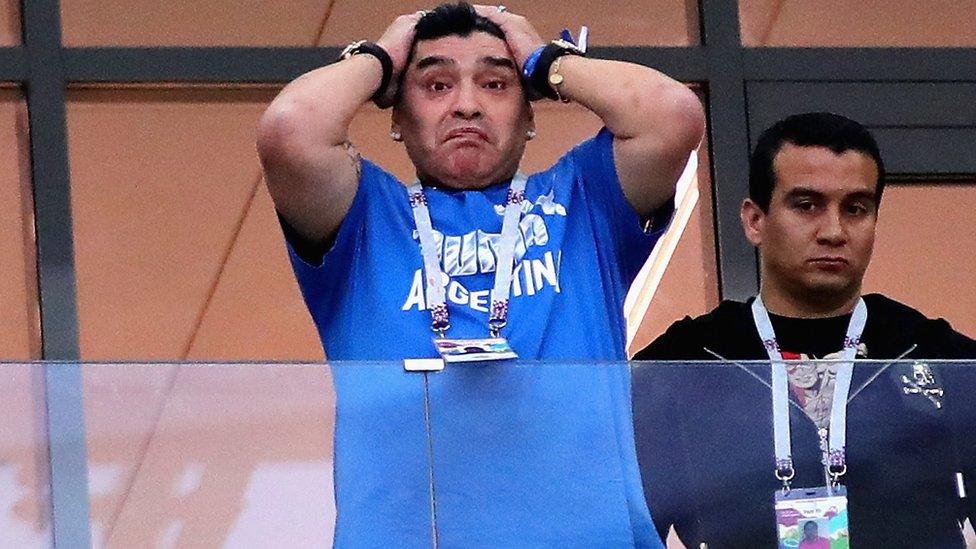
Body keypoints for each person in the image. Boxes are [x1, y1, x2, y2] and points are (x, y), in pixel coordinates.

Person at [256, 2, 703, 362]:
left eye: (494, 84)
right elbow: (290, 129)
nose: (466, 105)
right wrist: (379, 59)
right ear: (397, 116)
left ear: (530, 114)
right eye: (436, 86)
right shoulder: (366, 215)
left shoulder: (584, 200)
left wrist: (546, 61)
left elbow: (673, 114)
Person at [633, 112, 976, 547]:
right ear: (755, 221)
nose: (833, 231)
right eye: (806, 205)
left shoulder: (935, 355)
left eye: (855, 209)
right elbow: (624, 531)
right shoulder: (687, 362)